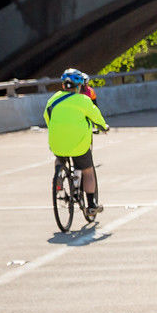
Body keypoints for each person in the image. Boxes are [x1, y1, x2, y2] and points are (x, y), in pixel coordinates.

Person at [45, 69, 109, 218]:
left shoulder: (52, 99)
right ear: (79, 86)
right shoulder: (84, 100)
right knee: (88, 171)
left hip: (57, 142)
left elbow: (47, 118)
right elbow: (96, 117)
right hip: (79, 145)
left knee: (59, 158)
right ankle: (91, 205)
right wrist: (104, 127)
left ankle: (58, 178)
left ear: (63, 85)